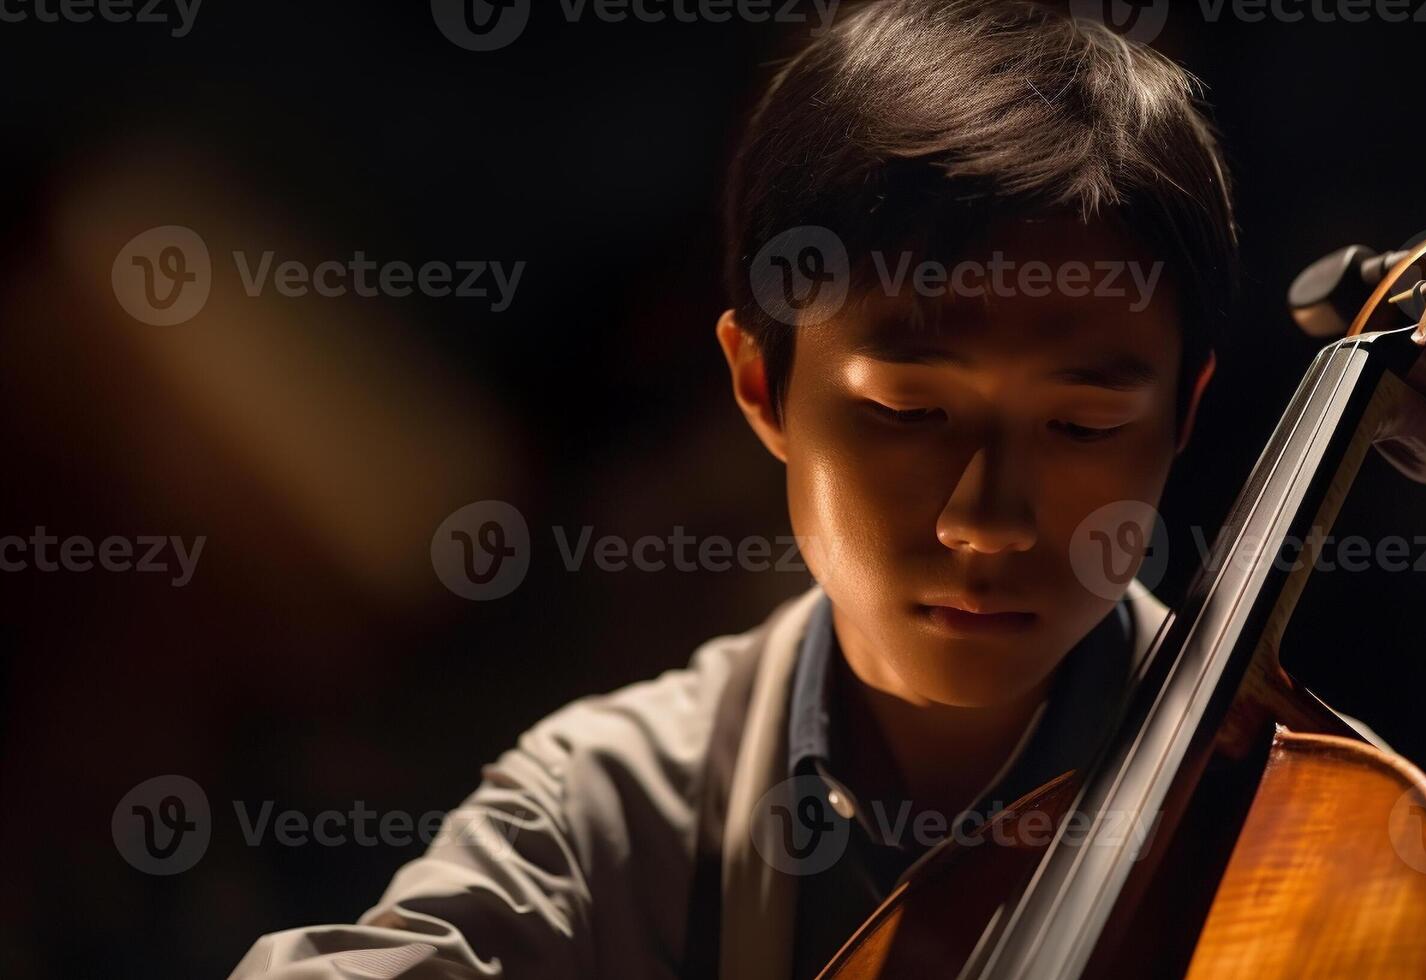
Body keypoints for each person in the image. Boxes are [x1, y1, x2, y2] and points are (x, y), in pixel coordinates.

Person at [228, 1, 1247, 976]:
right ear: (761, 383)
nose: (985, 519)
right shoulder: (608, 807)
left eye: (1084, 426)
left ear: (1185, 414)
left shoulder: (1296, 826)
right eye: (908, 410)